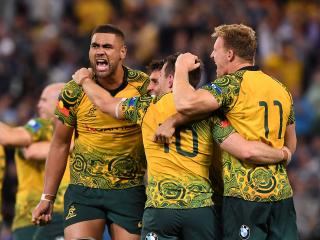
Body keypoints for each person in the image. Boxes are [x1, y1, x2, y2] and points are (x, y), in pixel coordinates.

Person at [71, 54, 291, 240]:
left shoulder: (145, 107)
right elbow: (241, 147)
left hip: (160, 210)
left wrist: (84, 80)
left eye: (157, 81)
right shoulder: (211, 113)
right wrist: (281, 153)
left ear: (170, 79)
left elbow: (105, 103)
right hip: (201, 210)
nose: (152, 87)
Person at [168, 24, 297, 239]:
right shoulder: (281, 89)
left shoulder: (230, 85)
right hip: (282, 196)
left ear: (230, 54)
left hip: (244, 198)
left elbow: (184, 103)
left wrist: (180, 66)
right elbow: (290, 144)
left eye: (215, 50)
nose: (211, 54)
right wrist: (278, 155)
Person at [32, 24, 150, 240]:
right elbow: (59, 144)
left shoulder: (143, 85)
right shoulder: (73, 91)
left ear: (122, 52)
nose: (100, 51)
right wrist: (47, 197)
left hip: (129, 189)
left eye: (107, 46)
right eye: (95, 46)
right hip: (84, 190)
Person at [0, 83, 67, 240]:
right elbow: (29, 150)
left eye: (44, 100)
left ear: (60, 103)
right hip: (30, 216)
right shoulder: (41, 126)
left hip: (63, 212)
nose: (38, 105)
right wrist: (72, 145)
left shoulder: (81, 129)